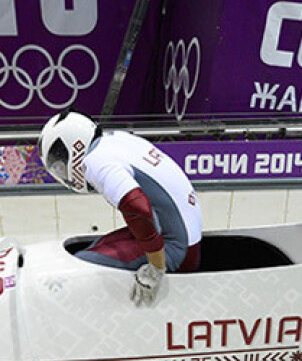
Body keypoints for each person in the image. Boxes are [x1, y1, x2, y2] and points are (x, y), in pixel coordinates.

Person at [38, 110, 202, 306]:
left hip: (175, 249)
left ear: (74, 147)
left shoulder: (96, 164)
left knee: (81, 264)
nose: (62, 174)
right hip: (178, 236)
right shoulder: (115, 140)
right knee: (93, 249)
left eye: (59, 167)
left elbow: (139, 209)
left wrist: (156, 268)